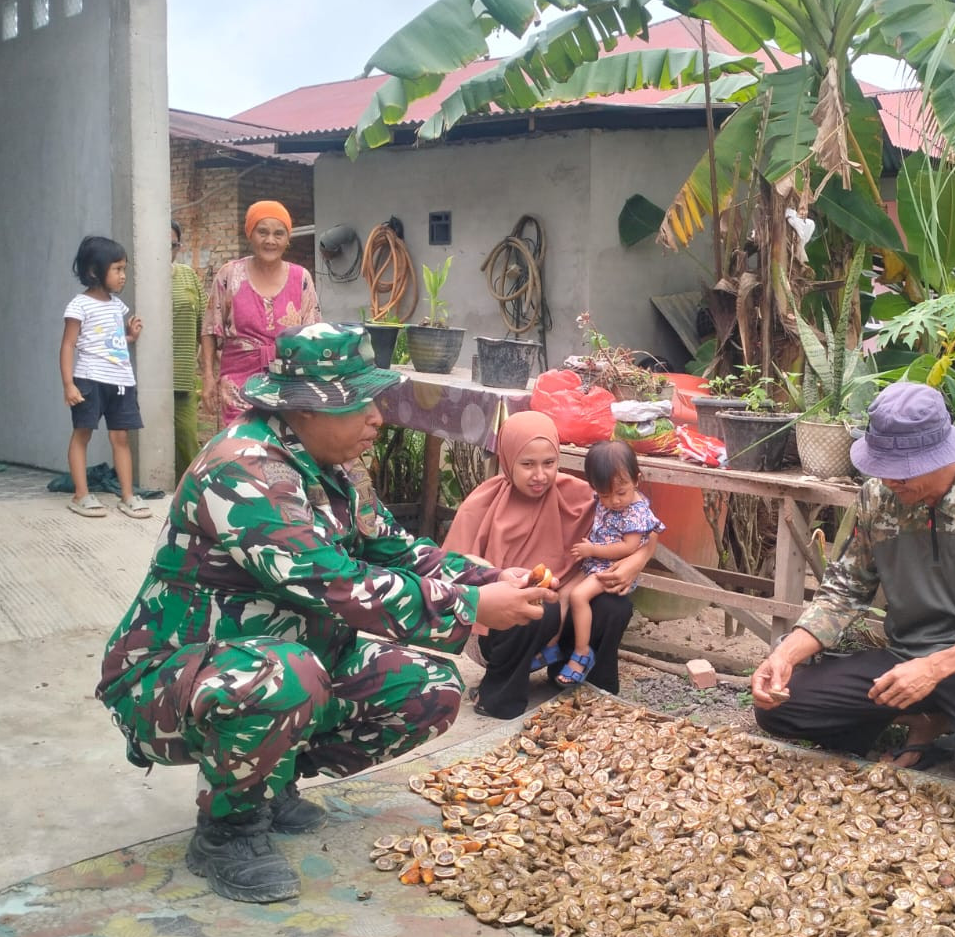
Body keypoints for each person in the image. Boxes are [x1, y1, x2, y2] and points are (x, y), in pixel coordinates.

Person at [96, 323, 554, 903]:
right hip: (169, 676)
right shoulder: (243, 471)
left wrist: (488, 578)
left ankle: (270, 779)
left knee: (430, 688)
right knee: (287, 678)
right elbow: (334, 584)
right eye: (360, 404)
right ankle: (227, 827)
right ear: (304, 410)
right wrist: (469, 607)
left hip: (285, 654)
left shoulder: (330, 466)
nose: (377, 419)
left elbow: (392, 548)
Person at [750, 382, 955, 789]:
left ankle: (948, 719)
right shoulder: (875, 498)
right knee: (779, 709)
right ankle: (922, 719)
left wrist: (934, 669)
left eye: (901, 471)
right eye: (881, 467)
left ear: (941, 455)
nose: (888, 479)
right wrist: (786, 655)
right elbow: (843, 591)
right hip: (903, 656)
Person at [444, 412, 659, 719]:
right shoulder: (482, 505)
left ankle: (588, 686)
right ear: (508, 460)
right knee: (535, 606)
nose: (540, 475)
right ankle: (499, 694)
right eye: (527, 464)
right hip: (496, 628)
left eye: (549, 463)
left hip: (566, 610)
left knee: (614, 606)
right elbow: (453, 569)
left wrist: (635, 563)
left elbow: (646, 530)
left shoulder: (579, 494)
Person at [547, 440, 665, 686]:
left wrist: (593, 549)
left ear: (637, 479)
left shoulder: (635, 511)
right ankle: (550, 648)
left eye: (621, 493)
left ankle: (581, 654)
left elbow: (629, 547)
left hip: (609, 567)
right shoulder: (606, 495)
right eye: (604, 495)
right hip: (594, 563)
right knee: (564, 593)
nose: (614, 501)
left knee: (579, 597)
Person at [202, 200, 320, 427]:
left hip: (288, 383)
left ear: (287, 239)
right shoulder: (229, 275)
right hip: (237, 386)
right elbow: (210, 328)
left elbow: (313, 334)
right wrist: (208, 377)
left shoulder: (301, 278)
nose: (270, 240)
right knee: (239, 449)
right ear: (250, 234)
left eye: (279, 234)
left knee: (283, 450)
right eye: (262, 232)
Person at [59, 235, 150, 519]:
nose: (123, 276)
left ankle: (127, 496)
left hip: (121, 381)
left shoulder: (116, 306)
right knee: (82, 433)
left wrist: (129, 337)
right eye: (117, 269)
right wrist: (69, 384)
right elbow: (68, 345)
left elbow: (110, 341)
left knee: (120, 436)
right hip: (89, 379)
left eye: (124, 269)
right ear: (94, 272)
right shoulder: (79, 305)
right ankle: (81, 495)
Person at [170, 220, 207, 477]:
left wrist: (208, 374)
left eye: (172, 245)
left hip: (182, 376)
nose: (166, 251)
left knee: (187, 440)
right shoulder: (136, 277)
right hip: (144, 379)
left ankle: (191, 493)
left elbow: (206, 326)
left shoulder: (188, 275)